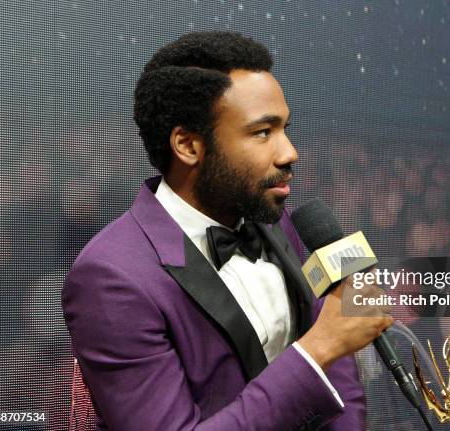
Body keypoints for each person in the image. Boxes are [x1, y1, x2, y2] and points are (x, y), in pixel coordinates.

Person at [62, 31, 393, 430]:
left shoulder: (276, 218)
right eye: (262, 132)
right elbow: (326, 344)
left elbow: (339, 367)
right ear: (187, 145)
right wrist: (317, 349)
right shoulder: (111, 277)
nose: (290, 152)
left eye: (285, 128)